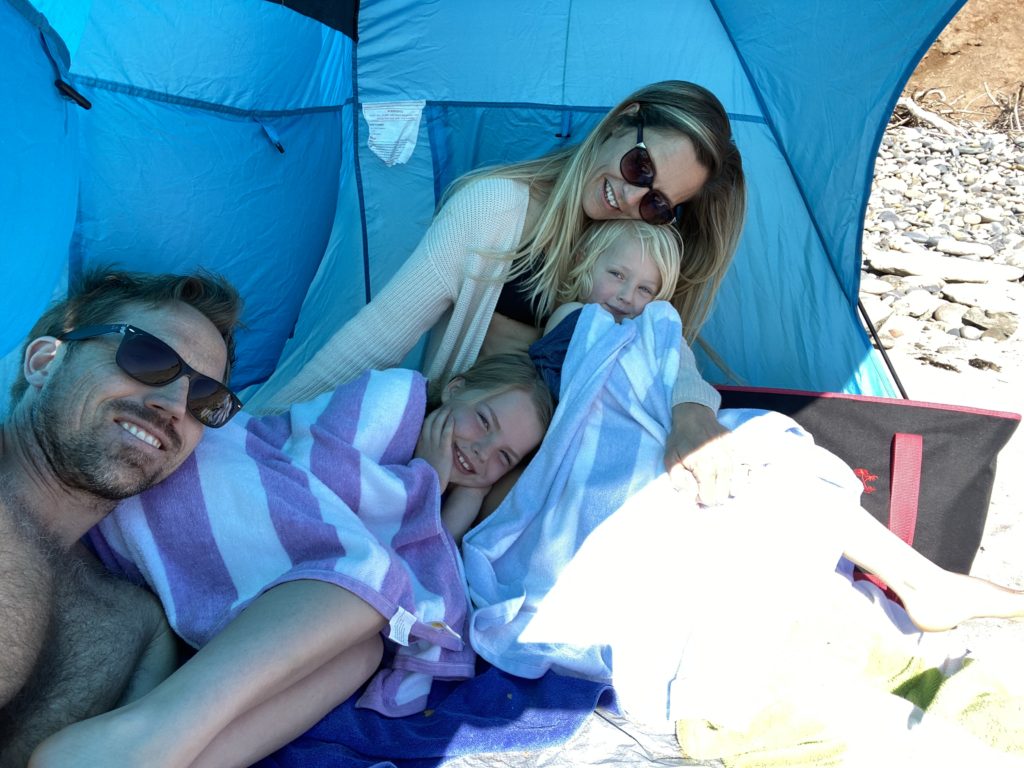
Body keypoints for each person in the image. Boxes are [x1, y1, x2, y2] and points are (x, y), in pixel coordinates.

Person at [29, 353, 553, 768]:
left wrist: (453, 499)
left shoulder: (427, 492)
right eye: (482, 421)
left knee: (365, 649)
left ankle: (162, 756)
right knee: (369, 578)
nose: (481, 449)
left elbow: (409, 573)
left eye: (502, 458)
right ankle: (134, 738)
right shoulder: (396, 395)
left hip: (290, 563)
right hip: (224, 479)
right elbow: (323, 473)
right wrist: (430, 484)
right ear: (456, 387)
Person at [244, 80, 746, 505]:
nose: (631, 197)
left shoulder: (629, 251)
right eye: (640, 168)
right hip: (468, 460)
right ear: (622, 121)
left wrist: (694, 414)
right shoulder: (495, 209)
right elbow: (379, 337)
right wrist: (250, 431)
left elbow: (664, 342)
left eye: (657, 202)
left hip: (564, 462)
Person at [0, 269, 243, 765]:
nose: (176, 406)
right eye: (147, 356)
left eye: (205, 399)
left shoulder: (138, 629)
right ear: (45, 361)